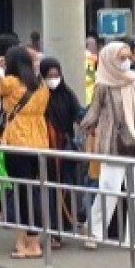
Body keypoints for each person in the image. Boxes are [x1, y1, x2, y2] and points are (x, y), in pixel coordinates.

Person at [80, 42, 135, 249]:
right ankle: (94, 231)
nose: (126, 62)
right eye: (121, 58)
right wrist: (87, 129)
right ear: (109, 59)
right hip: (111, 143)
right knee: (109, 189)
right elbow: (94, 112)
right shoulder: (103, 85)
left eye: (127, 57)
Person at [0, 46, 50, 258]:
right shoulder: (41, 85)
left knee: (18, 193)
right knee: (33, 192)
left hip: (17, 143)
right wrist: (32, 56)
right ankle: (35, 243)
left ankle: (22, 244)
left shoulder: (11, 84)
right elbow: (39, 58)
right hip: (39, 143)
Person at [40, 57, 84, 238]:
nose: (54, 79)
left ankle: (65, 224)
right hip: (46, 149)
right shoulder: (39, 96)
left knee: (67, 186)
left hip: (65, 148)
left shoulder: (67, 95)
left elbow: (79, 114)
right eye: (49, 76)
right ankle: (52, 229)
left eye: (57, 75)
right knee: (49, 189)